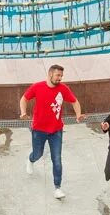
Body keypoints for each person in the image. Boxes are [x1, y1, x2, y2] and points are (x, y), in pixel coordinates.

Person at [22, 63, 83, 198]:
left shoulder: (63, 88)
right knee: (38, 154)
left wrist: (78, 114)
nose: (60, 78)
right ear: (50, 74)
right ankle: (31, 160)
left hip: (56, 130)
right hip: (39, 129)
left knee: (57, 159)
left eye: (61, 76)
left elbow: (74, 101)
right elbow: (24, 99)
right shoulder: (37, 87)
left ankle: (57, 187)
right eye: (58, 75)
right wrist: (23, 112)